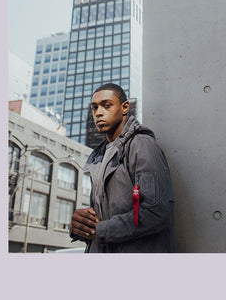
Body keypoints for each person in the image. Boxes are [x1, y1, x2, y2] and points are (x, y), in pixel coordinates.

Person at [69, 83, 176, 252]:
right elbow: (101, 220)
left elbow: (155, 213)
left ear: (125, 107)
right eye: (94, 108)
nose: (98, 113)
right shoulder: (99, 156)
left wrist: (99, 230)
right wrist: (81, 226)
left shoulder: (141, 145)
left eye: (106, 105)